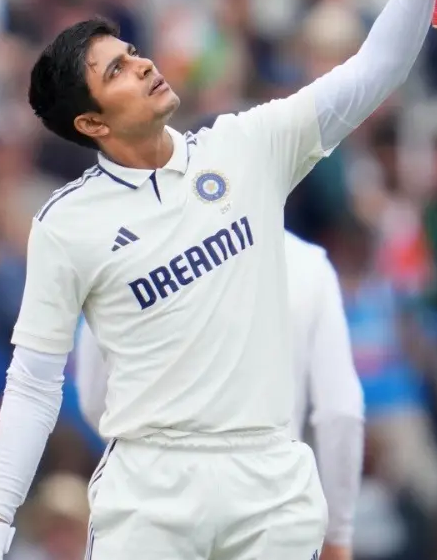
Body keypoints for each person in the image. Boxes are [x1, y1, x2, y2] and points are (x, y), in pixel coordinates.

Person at [0, 0, 437, 559]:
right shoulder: (66, 224)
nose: (143, 64)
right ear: (91, 122)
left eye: (132, 51)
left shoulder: (246, 145)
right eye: (116, 70)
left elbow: (376, 68)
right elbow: (33, 380)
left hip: (268, 477)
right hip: (148, 490)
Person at [74, 231, 365, 560]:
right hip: (272, 504)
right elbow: (340, 413)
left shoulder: (132, 250)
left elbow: (93, 395)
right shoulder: (307, 264)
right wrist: (338, 534)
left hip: (154, 500)